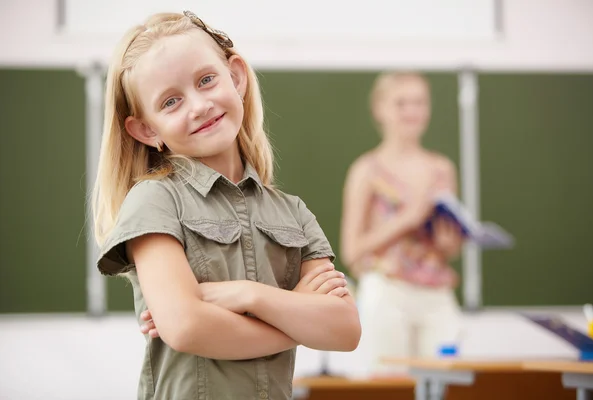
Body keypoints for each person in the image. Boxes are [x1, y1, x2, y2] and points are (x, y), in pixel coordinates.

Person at [92, 11, 361, 399]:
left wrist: (248, 295)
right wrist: (297, 314)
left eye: (206, 80)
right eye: (171, 101)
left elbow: (345, 330)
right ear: (147, 130)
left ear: (235, 77)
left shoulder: (292, 212)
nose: (199, 105)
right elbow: (187, 327)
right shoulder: (155, 201)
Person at [340, 72, 462, 375]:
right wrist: (408, 219)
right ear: (380, 109)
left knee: (446, 381)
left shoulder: (442, 169)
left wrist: (449, 245)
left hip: (437, 295)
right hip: (387, 293)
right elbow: (352, 250)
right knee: (389, 385)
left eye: (420, 102)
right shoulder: (367, 170)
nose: (412, 111)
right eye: (401, 103)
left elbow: (451, 248)